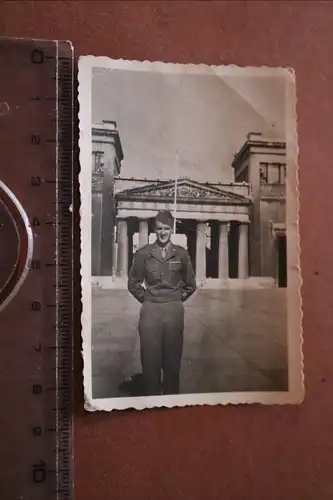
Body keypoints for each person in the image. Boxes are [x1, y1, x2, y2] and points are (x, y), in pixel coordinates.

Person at [128, 210, 197, 396]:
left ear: (172, 229)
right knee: (150, 364)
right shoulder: (144, 254)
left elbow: (191, 285)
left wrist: (176, 299)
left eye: (166, 228)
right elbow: (133, 283)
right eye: (159, 229)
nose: (163, 232)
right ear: (154, 229)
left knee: (172, 365)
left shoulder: (181, 254)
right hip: (150, 311)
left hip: (174, 311)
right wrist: (148, 299)